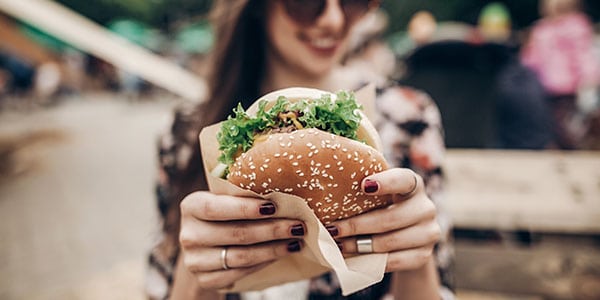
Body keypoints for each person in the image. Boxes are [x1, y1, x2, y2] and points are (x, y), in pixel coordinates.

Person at [146, 0, 454, 299]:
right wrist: (197, 274)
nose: (333, 20)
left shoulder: (409, 119)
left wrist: (415, 257)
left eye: (353, 1)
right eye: (306, 2)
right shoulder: (186, 134)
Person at [520, 0, 600, 149]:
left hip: (567, 86)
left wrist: (589, 77)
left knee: (567, 122)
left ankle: (573, 147)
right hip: (544, 85)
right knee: (551, 121)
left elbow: (583, 55)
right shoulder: (542, 29)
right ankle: (561, 145)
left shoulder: (576, 26)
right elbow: (533, 57)